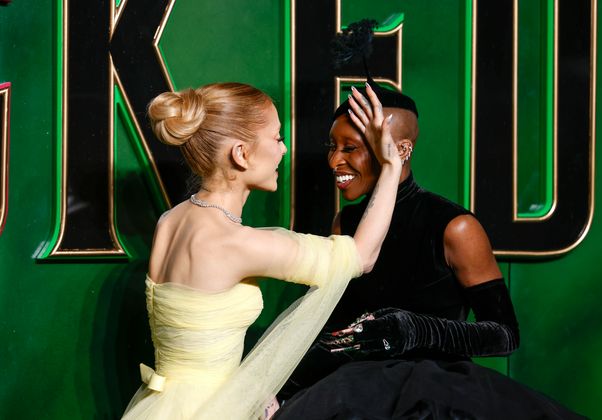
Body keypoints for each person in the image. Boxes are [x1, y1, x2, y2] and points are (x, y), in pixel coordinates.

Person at [275, 80, 586, 419]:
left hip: (432, 397)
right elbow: (333, 328)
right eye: (332, 145)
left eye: (350, 148)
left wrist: (411, 330)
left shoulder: (455, 227)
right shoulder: (345, 223)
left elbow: (504, 335)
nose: (334, 160)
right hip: (351, 393)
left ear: (401, 150)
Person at [121, 82, 402, 419]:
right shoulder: (237, 244)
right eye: (277, 138)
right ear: (241, 153)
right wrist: (391, 166)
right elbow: (362, 256)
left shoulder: (170, 221)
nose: (283, 150)